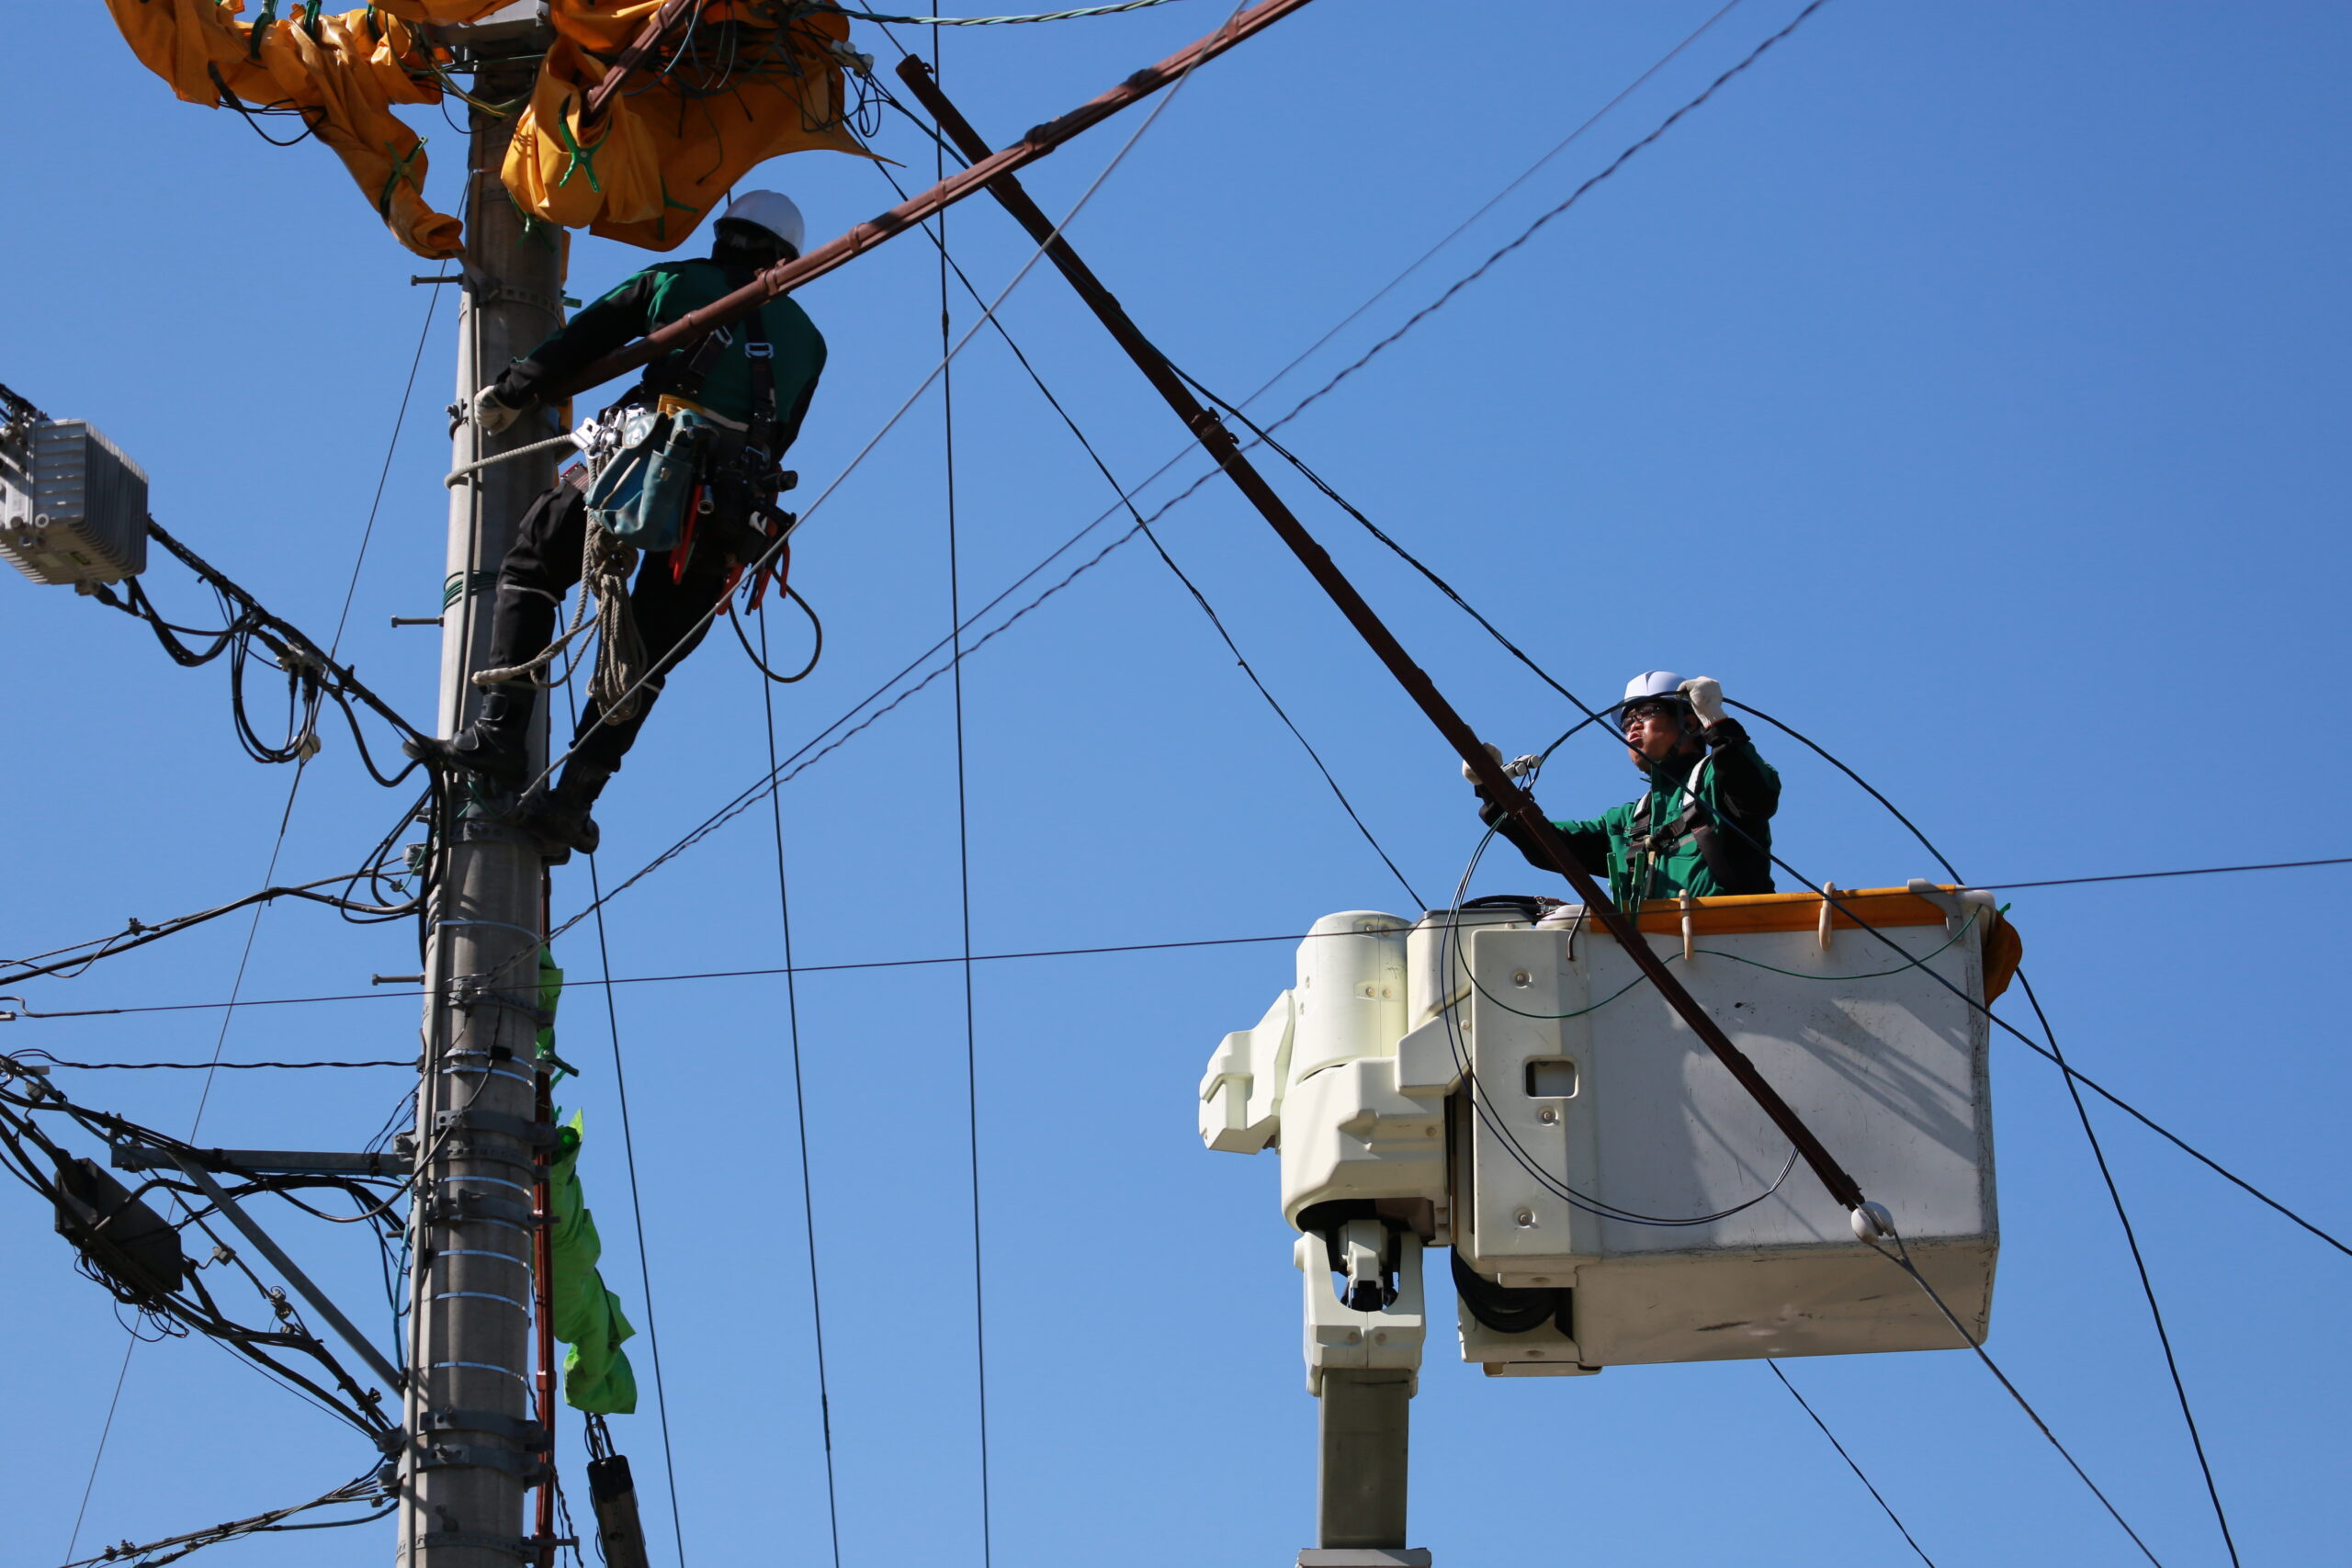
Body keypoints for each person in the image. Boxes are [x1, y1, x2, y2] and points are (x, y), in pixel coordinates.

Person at [408, 190, 826, 856]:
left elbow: (587, 336)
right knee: (649, 652)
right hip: (726, 512)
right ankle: (572, 798)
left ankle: (500, 734)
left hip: (643, 455)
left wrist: (515, 389)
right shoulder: (809, 341)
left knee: (534, 562)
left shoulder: (675, 282)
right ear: (787, 257)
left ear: (725, 238)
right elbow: (781, 438)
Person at [1472, 671, 1781, 908]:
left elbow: (1754, 793)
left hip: (1733, 940)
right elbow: (1549, 844)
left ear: (1688, 722)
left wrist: (1718, 722)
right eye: (1627, 720)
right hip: (1654, 958)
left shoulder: (1716, 778)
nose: (1632, 725)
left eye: (1645, 713)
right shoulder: (1630, 820)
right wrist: (1491, 788)